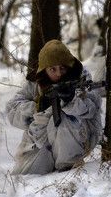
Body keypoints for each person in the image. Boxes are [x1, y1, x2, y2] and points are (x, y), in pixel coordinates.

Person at [6, 40, 102, 174]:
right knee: (23, 176)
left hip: (76, 137)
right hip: (40, 137)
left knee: (64, 119)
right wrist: (36, 107)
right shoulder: (36, 82)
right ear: (44, 70)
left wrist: (70, 101)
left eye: (62, 68)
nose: (58, 74)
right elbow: (11, 110)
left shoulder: (80, 77)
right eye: (53, 69)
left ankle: (67, 171)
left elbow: (93, 107)